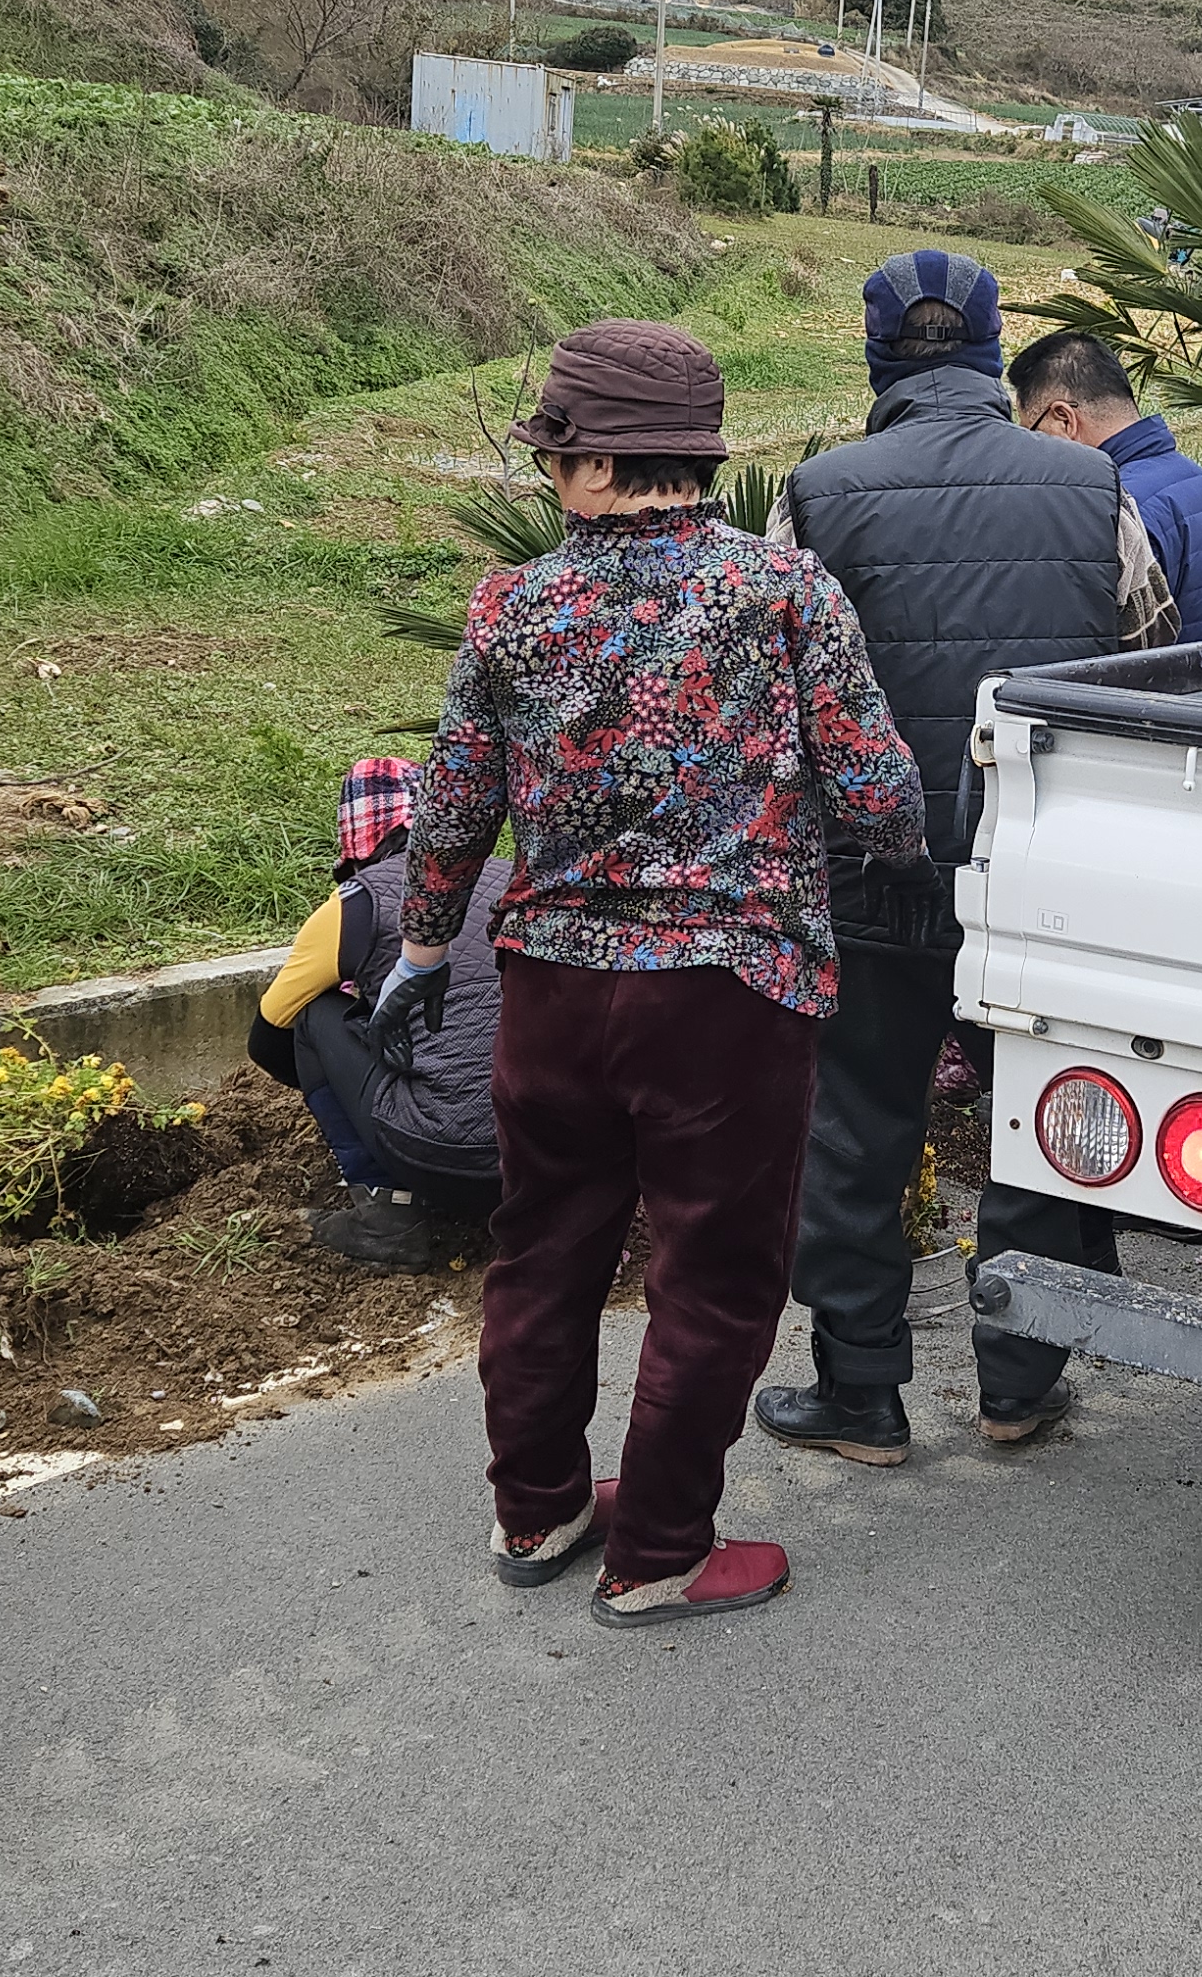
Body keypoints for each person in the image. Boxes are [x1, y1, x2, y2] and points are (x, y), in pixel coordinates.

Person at [381, 318, 926, 1627]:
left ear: (589, 463)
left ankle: (539, 1507)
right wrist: (896, 851)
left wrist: (417, 948)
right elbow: (875, 788)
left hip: (553, 988)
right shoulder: (782, 593)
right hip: (727, 997)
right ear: (696, 455)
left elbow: (453, 801)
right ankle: (663, 1548)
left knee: (543, 1255)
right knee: (716, 1272)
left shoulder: (512, 606)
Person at [752, 252, 1175, 1470]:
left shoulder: (819, 493)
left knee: (857, 1124)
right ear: (996, 353)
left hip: (867, 875)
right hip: (1037, 874)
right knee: (1036, 1117)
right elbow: (1142, 671)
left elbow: (780, 694)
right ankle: (1016, 1384)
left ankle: (861, 1393)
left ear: (877, 356)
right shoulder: (1092, 485)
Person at [249, 757, 506, 1264]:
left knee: (315, 1013)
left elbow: (267, 1041)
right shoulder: (514, 881)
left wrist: (358, 1075)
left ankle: (388, 1217)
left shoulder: (355, 904)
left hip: (440, 1156)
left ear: (356, 836)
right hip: (557, 1158)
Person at [1011, 326, 1202, 642]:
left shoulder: (1114, 507)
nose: (1034, 448)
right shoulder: (1201, 482)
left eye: (1033, 432)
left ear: (1064, 419)